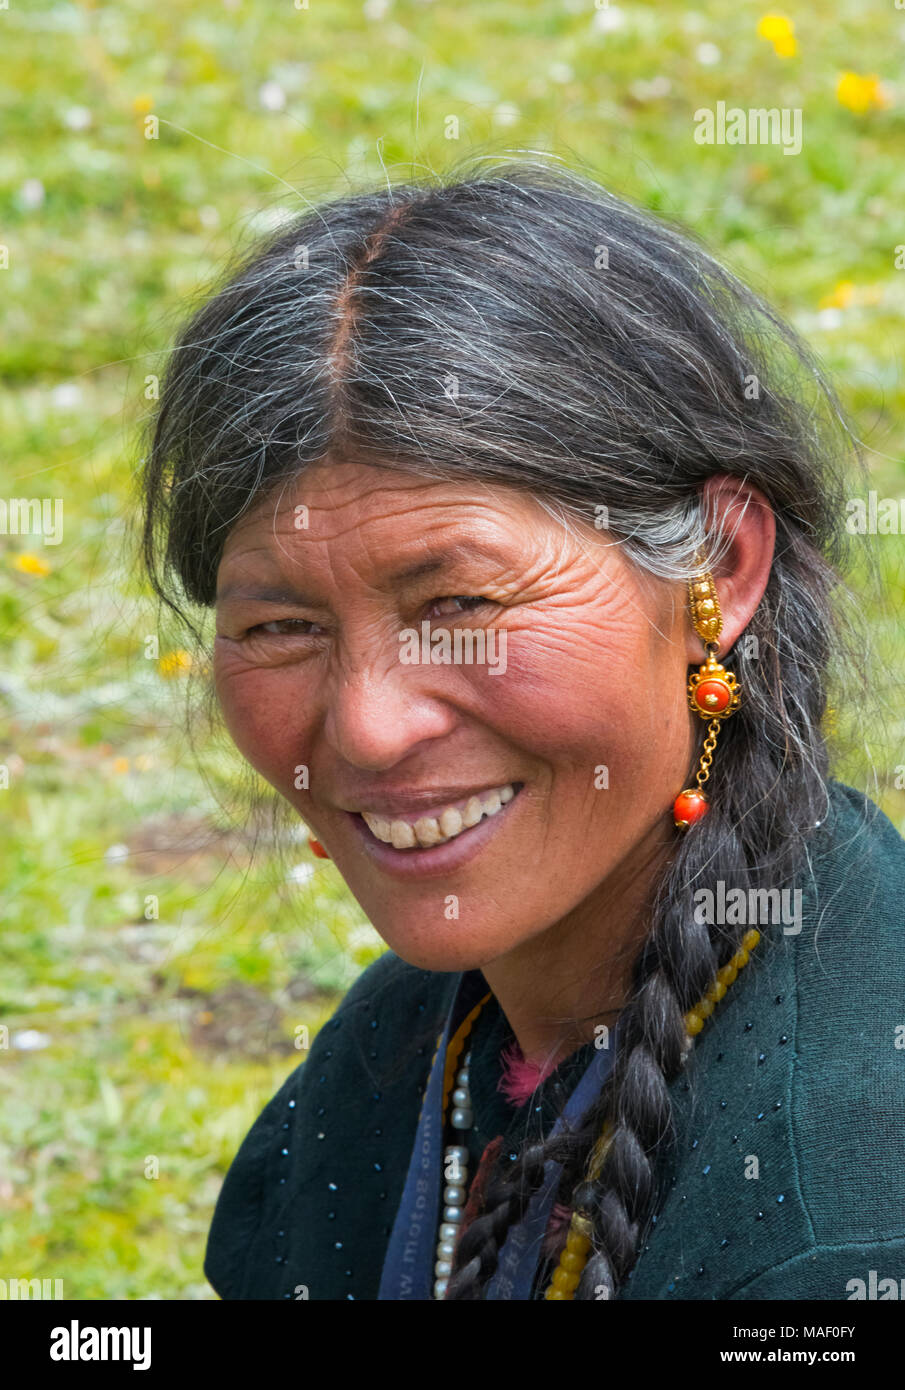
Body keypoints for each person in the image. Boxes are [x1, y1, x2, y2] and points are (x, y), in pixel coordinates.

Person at [140, 158, 905, 1300]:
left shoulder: (836, 1239)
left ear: (718, 567)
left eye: (459, 604)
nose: (368, 727)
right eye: (283, 624)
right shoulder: (410, 1046)